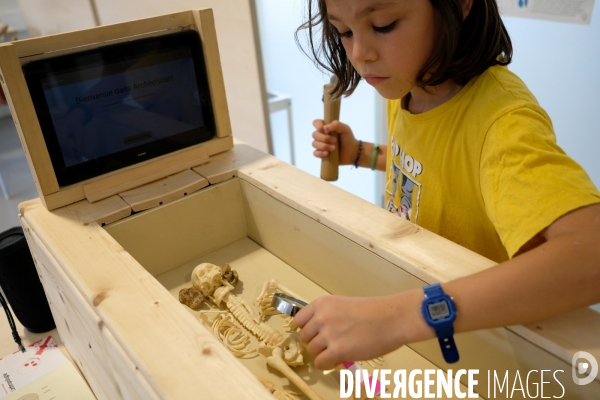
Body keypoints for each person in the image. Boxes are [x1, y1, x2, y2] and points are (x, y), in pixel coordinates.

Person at [293, 0, 600, 370]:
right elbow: (431, 166)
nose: (360, 54)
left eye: (385, 25)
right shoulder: (408, 87)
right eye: (344, 32)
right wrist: (360, 153)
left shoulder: (502, 123)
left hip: (480, 340)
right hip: (422, 311)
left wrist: (394, 318)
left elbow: (590, 254)